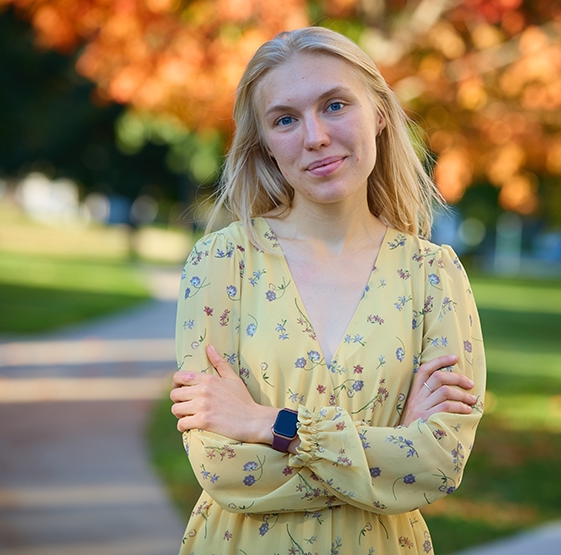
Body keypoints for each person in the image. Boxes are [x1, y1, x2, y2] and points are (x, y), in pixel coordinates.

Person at [169, 26, 486, 554]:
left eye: (335, 105)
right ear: (265, 144)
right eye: (285, 119)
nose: (314, 136)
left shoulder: (434, 274)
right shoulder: (223, 262)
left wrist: (263, 423)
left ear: (379, 113)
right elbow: (222, 468)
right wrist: (388, 452)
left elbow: (438, 466)